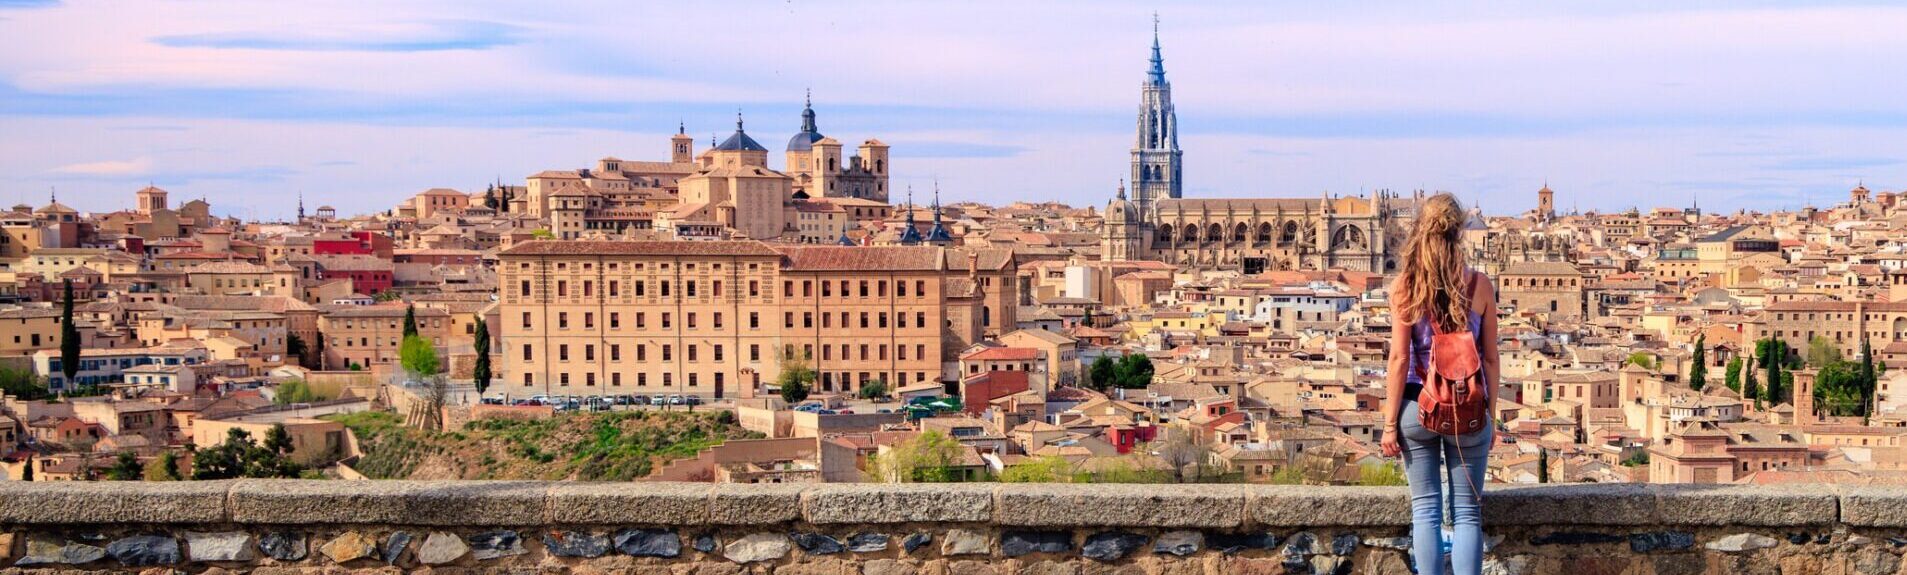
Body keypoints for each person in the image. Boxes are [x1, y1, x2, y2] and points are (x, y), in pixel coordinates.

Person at [1380, 192, 1498, 575]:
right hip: (1469, 408)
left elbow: (1399, 360)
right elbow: (1491, 357)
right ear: (1459, 232)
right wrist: (1490, 415)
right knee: (1467, 514)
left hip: (1419, 407)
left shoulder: (1405, 287)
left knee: (1425, 511)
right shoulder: (1479, 285)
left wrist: (1387, 425)